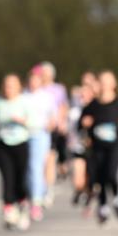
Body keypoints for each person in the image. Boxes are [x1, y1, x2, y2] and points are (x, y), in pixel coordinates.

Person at [81, 71, 118, 224]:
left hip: (114, 146)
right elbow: (81, 123)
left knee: (111, 173)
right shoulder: (92, 105)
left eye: (107, 81)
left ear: (113, 84)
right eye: (101, 81)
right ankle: (103, 205)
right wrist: (84, 123)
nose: (103, 85)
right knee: (100, 177)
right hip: (97, 147)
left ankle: (116, 197)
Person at [0, 73, 32, 230]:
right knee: (7, 177)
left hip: (21, 142)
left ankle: (22, 205)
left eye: (12, 85)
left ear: (19, 86)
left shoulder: (25, 101)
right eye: (6, 85)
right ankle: (9, 209)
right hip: (3, 144)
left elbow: (35, 122)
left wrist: (22, 121)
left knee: (20, 178)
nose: (9, 89)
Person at [24, 66, 57, 221]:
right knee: (27, 168)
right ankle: (39, 191)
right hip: (24, 135)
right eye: (31, 80)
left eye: (36, 80)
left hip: (40, 134)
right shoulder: (23, 96)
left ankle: (36, 202)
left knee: (36, 166)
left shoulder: (46, 96)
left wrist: (51, 124)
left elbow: (53, 116)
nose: (33, 83)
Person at [39, 61, 70, 192]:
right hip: (38, 127)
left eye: (46, 73)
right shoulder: (36, 88)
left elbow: (63, 106)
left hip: (53, 127)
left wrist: (62, 122)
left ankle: (48, 187)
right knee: (41, 159)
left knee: (51, 156)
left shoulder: (58, 89)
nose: (44, 76)